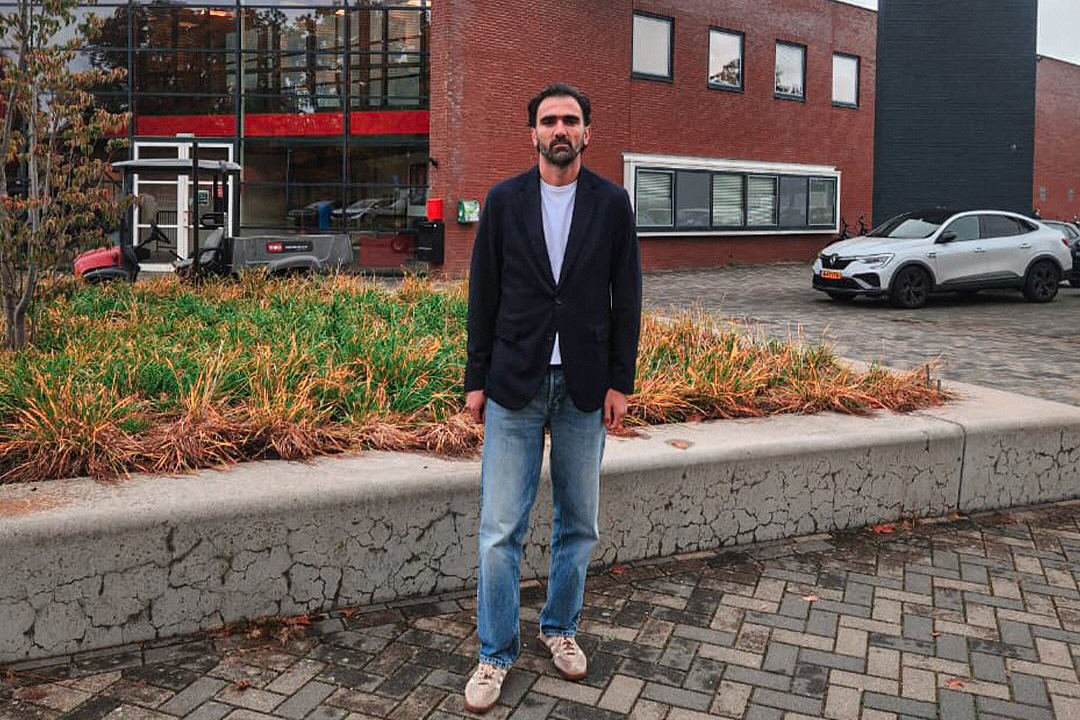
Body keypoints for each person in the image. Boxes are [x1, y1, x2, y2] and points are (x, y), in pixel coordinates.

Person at [462, 82, 642, 713]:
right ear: (532, 133)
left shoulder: (612, 203)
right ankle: (495, 653)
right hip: (515, 383)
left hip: (585, 387)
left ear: (588, 133)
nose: (559, 129)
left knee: (580, 524)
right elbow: (483, 293)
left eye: (569, 120)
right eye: (548, 121)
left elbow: (627, 295)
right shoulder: (504, 200)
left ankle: (559, 627)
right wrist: (475, 380)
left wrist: (621, 381)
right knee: (499, 529)